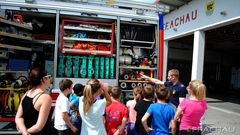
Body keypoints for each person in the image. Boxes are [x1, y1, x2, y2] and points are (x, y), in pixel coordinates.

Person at [15, 68, 52, 135]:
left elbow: (18, 117)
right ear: (44, 79)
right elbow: (39, 127)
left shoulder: (26, 94)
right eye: (49, 77)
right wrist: (26, 132)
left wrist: (24, 131)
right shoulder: (45, 98)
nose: (50, 79)